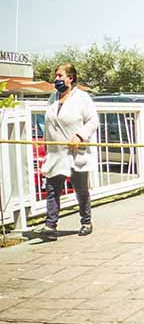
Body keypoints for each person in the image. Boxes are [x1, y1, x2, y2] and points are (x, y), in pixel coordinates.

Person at [32, 63, 99, 241]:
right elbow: (49, 124)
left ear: (70, 78)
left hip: (75, 151)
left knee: (81, 190)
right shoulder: (53, 98)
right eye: (56, 75)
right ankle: (50, 226)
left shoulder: (82, 98)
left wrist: (80, 136)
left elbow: (93, 121)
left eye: (60, 76)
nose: (57, 79)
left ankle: (86, 222)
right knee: (53, 188)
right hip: (56, 153)